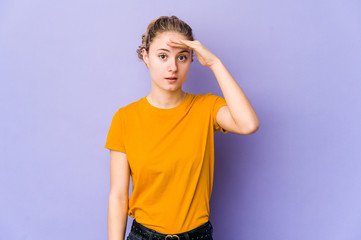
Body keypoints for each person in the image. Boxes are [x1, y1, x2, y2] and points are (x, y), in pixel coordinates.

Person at [104, 15, 259, 240]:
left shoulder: (206, 108)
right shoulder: (125, 118)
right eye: (163, 56)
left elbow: (249, 124)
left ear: (191, 60)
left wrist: (215, 64)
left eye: (182, 57)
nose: (173, 67)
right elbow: (118, 196)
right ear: (146, 57)